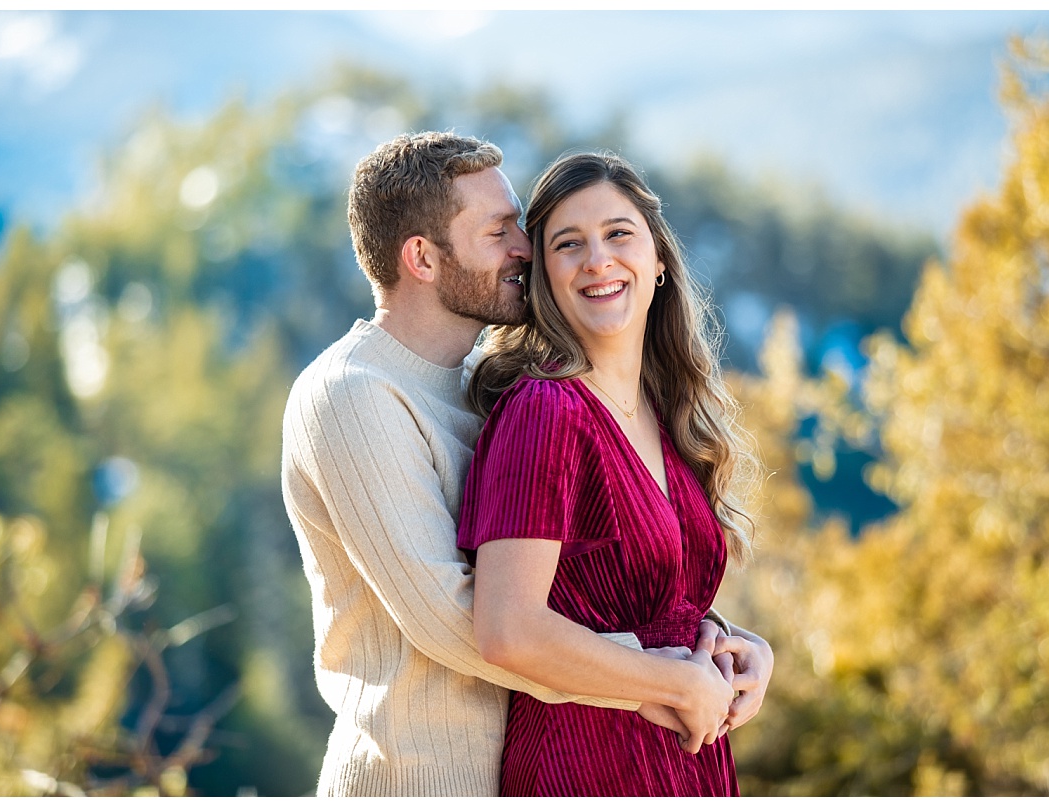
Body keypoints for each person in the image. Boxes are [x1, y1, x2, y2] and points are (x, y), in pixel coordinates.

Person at [281, 132, 772, 797]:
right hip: (420, 780)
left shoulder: (478, 385)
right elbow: (466, 619)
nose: (524, 247)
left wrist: (718, 642)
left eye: (520, 224)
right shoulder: (353, 395)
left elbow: (585, 580)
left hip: (536, 762)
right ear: (422, 257)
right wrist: (663, 675)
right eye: (499, 231)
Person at [457, 151, 766, 796]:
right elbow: (507, 630)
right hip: (586, 760)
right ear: (544, 278)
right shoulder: (546, 413)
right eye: (569, 245)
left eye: (618, 234)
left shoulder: (668, 413)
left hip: (685, 755)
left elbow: (656, 605)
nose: (598, 259)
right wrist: (680, 682)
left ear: (658, 264)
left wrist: (743, 651)